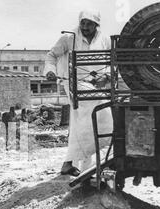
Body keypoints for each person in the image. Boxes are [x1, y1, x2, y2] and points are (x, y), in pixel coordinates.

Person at [44, 9, 113, 176]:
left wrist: (107, 76)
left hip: (97, 85)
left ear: (97, 24)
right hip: (74, 84)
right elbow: (51, 55)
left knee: (88, 121)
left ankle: (73, 164)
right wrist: (50, 71)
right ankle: (84, 164)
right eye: (82, 22)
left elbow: (113, 60)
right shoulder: (69, 37)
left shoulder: (104, 39)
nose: (85, 26)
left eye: (89, 23)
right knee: (92, 115)